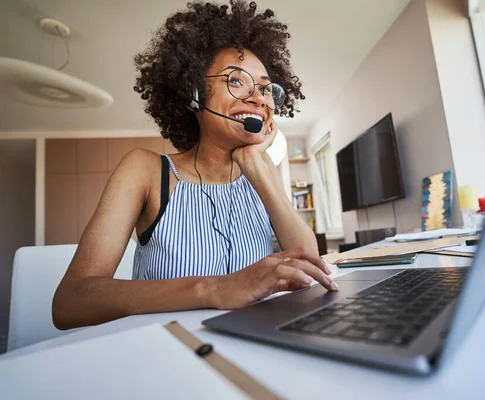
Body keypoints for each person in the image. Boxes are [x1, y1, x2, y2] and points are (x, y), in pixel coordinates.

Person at [52, 0, 337, 330]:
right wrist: (216, 288)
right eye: (236, 81)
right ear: (193, 95)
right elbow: (70, 301)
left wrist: (255, 162)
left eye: (265, 88)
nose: (258, 98)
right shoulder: (144, 170)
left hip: (257, 345)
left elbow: (309, 266)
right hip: (167, 353)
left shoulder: (262, 174)